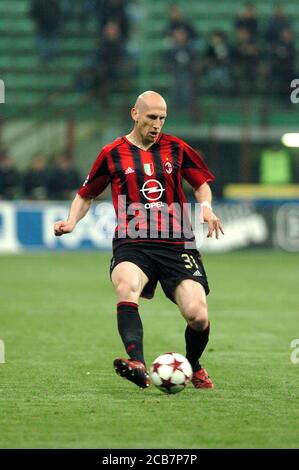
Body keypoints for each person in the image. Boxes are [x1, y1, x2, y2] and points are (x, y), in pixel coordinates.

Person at [53, 91, 224, 390]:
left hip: (176, 242)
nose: (157, 125)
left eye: (162, 119)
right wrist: (71, 221)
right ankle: (138, 364)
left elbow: (201, 185)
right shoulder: (112, 153)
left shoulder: (177, 148)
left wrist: (207, 209)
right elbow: (86, 194)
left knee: (197, 315)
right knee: (126, 285)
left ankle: (193, 364)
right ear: (135, 114)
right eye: (151, 118)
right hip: (132, 241)